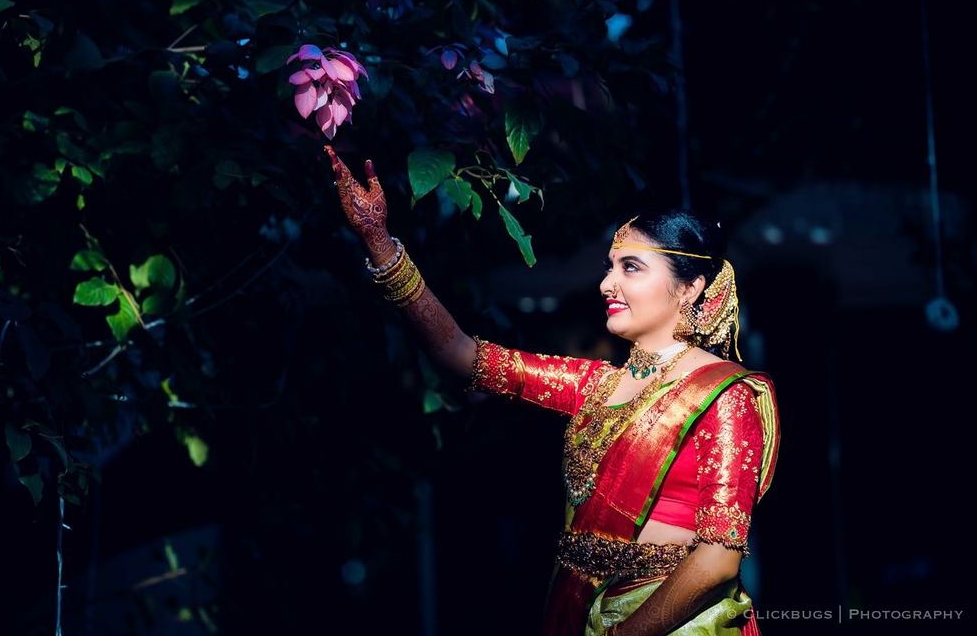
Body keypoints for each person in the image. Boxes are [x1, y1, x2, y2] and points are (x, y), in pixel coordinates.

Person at [326, 145, 780, 636]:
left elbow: (718, 561)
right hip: (575, 612)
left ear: (690, 288)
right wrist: (380, 245)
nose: (607, 283)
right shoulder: (594, 385)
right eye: (610, 267)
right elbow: (462, 354)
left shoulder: (726, 395)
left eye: (630, 267)